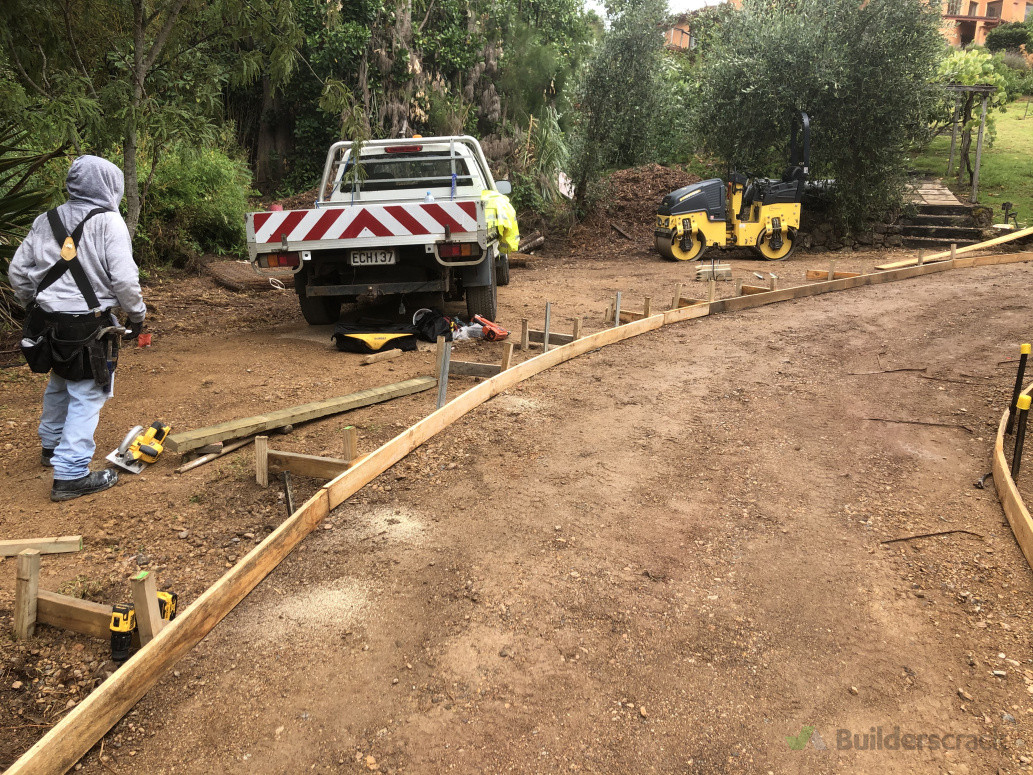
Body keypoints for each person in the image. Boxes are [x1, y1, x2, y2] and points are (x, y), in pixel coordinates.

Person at [10, 155, 146, 501]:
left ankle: (51, 445)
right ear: (109, 186)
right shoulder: (109, 223)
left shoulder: (46, 219)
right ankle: (70, 474)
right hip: (87, 325)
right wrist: (137, 315)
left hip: (45, 321)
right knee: (88, 392)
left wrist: (36, 304)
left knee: (60, 377)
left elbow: (18, 272)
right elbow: (125, 279)